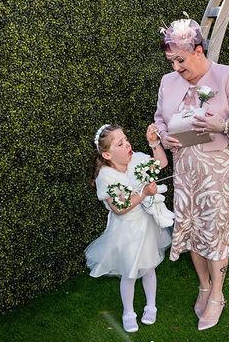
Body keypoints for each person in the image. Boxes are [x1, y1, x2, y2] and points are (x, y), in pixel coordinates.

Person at [154, 18, 229, 331]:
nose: (176, 68)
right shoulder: (167, 82)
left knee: (215, 233)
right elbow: (159, 119)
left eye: (181, 60)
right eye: (171, 61)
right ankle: (203, 285)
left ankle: (217, 294)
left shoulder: (227, 75)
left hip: (219, 172)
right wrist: (164, 136)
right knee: (194, 230)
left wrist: (221, 126)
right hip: (186, 172)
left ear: (198, 50)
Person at [84, 123, 172, 333]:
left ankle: (151, 305)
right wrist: (143, 194)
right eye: (120, 143)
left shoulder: (138, 160)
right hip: (125, 232)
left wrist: (154, 142)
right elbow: (119, 208)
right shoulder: (106, 177)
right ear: (107, 155)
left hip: (146, 226)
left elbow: (162, 162)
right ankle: (128, 312)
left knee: (149, 267)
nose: (127, 144)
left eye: (126, 139)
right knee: (130, 273)